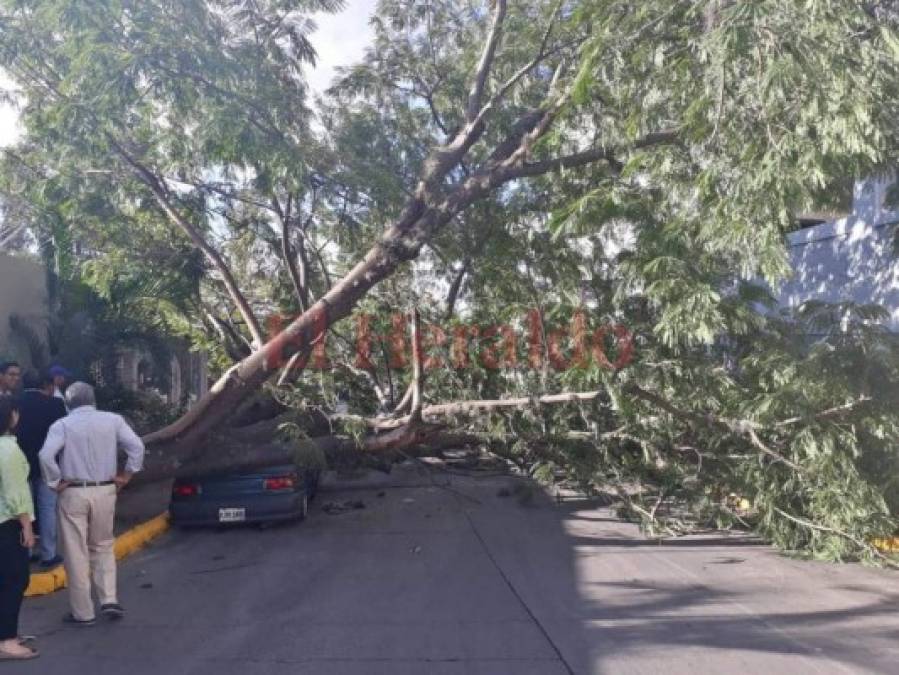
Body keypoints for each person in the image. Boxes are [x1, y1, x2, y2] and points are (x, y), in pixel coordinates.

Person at [39, 382, 145, 626]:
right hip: (106, 489)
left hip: (73, 492)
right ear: (93, 399)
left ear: (68, 403)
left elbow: (45, 455)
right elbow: (136, 447)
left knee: (76, 553)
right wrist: (128, 475)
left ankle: (83, 612)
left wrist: (54, 481)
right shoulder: (113, 420)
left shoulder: (62, 425)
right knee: (103, 545)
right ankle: (109, 598)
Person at [0, 397, 39, 660]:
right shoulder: (8, 450)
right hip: (8, 524)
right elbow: (15, 492)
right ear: (11, 416)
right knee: (15, 580)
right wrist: (26, 525)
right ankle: (7, 640)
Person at [16, 371, 67, 568]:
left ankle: (27, 552)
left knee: (24, 509)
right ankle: (48, 554)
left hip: (20, 465)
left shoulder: (14, 402)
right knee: (47, 509)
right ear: (46, 384)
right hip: (48, 464)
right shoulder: (55, 405)